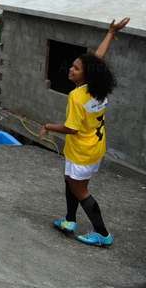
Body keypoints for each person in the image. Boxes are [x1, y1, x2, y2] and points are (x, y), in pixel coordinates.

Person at [40, 17, 130, 247]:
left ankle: (102, 233)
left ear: (85, 74)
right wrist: (110, 32)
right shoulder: (97, 86)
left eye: (76, 68)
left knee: (81, 191)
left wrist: (49, 126)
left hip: (82, 150)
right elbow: (97, 58)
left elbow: (71, 128)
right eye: (73, 65)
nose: (71, 69)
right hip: (93, 146)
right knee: (70, 181)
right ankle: (70, 220)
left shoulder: (77, 96)